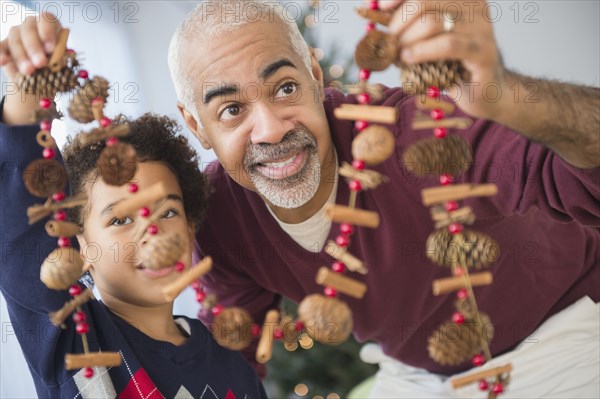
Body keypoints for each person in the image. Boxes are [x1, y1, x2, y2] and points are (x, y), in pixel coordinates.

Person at [165, 1, 599, 397]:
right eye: (231, 110)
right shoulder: (219, 216)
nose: (270, 129)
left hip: (565, 334)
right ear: (196, 125)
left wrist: (500, 91)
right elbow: (234, 350)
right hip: (417, 377)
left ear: (315, 76)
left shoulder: (419, 135)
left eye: (284, 88)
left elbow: (585, 177)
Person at [0, 61, 267, 397]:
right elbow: (18, 224)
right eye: (121, 219)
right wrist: (28, 84)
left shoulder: (235, 367)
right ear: (79, 246)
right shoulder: (73, 340)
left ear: (189, 225)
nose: (151, 232)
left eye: (168, 211)